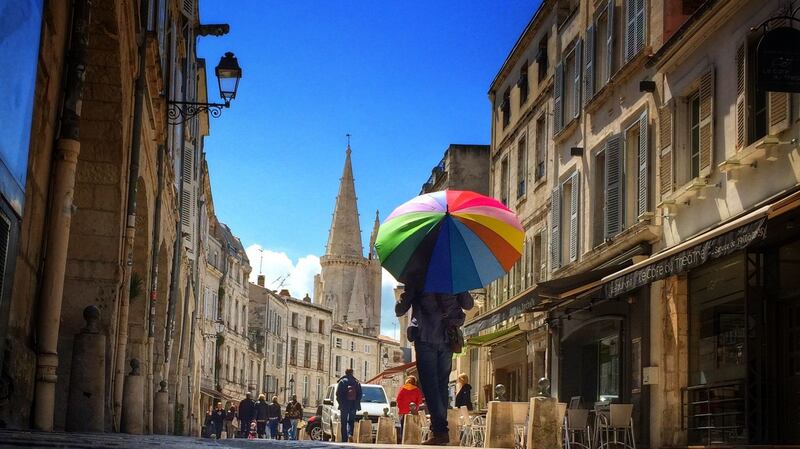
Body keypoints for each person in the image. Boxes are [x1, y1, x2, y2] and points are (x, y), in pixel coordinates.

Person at [396, 286, 473, 445]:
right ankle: (439, 429)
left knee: (431, 386)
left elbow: (400, 309)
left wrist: (406, 296)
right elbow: (469, 304)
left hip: (426, 338)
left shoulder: (418, 276)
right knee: (441, 385)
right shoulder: (453, 277)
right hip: (447, 339)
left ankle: (440, 431)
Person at [335, 368, 363, 442]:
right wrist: (356, 403)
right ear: (352, 373)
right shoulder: (356, 382)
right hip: (353, 405)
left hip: (344, 405)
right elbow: (360, 394)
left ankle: (344, 439)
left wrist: (341, 403)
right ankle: (350, 434)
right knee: (351, 421)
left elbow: (337, 394)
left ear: (345, 373)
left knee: (343, 423)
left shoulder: (342, 382)